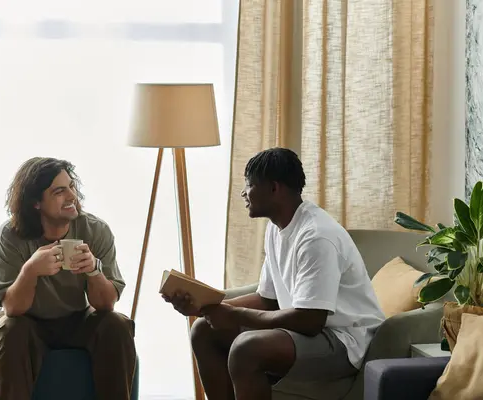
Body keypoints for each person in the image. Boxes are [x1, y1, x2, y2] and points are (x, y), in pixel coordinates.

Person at [164, 147, 385, 400]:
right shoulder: (277, 228)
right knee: (203, 330)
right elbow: (268, 299)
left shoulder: (317, 236)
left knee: (246, 349)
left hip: (345, 341)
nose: (243, 193)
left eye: (249, 185)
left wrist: (234, 314)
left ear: (274, 188)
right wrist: (206, 307)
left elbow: (310, 321)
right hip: (311, 331)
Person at [0, 157, 136, 400]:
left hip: (77, 319)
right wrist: (30, 271)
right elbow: (12, 308)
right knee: (10, 329)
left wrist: (94, 271)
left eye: (71, 187)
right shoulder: (10, 236)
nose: (71, 196)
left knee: (117, 325)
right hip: (29, 321)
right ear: (35, 202)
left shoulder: (95, 230)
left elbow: (106, 304)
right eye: (59, 191)